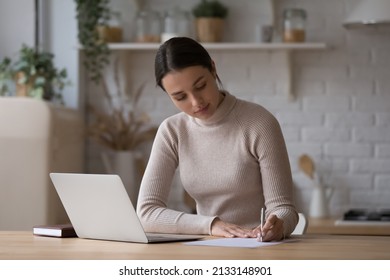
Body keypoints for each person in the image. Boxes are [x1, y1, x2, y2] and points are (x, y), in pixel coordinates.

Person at [136, 37, 298, 241]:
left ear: (213, 69)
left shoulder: (259, 123)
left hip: (258, 246)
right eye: (180, 97)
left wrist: (279, 225)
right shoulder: (172, 131)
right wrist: (211, 225)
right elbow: (146, 213)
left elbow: (284, 209)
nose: (196, 102)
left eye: (200, 86)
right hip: (206, 246)